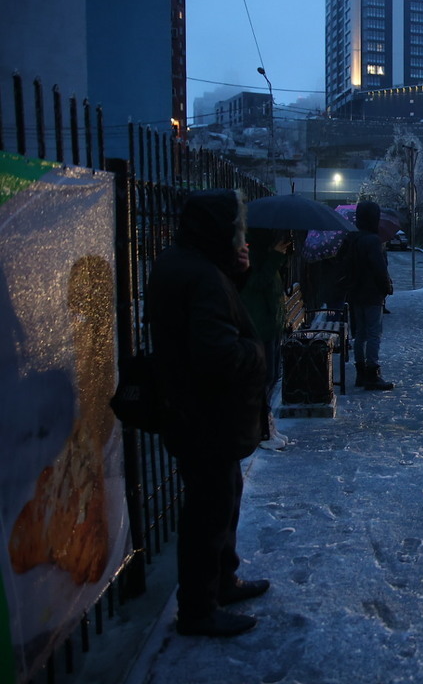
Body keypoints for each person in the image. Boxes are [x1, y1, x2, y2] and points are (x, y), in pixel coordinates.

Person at [145, 189, 270, 638]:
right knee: (209, 513)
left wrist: (235, 273)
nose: (242, 236)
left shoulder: (184, 263)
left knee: (224, 499)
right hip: (206, 417)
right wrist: (256, 353)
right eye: (236, 227)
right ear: (219, 229)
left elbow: (206, 318)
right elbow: (216, 353)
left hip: (193, 412)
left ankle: (222, 582)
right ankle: (198, 609)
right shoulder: (200, 275)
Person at [239, 227, 291, 450]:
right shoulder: (251, 255)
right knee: (264, 378)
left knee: (270, 377)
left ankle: (266, 424)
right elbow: (257, 284)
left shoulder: (263, 254)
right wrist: (276, 256)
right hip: (259, 327)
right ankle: (261, 429)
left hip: (269, 325)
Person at [345, 201, 395, 390]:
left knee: (360, 334)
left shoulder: (352, 238)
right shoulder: (373, 241)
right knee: (374, 333)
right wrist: (386, 288)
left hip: (356, 293)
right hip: (372, 293)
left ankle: (360, 373)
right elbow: (379, 270)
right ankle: (372, 372)